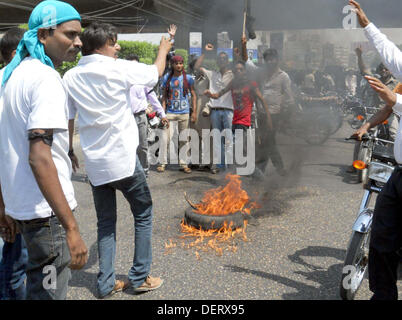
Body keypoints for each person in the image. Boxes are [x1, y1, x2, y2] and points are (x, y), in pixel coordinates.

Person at [63, 22, 171, 298]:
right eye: (114, 43)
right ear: (101, 46)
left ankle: (106, 283)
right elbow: (156, 72)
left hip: (96, 165)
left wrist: (69, 149)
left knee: (106, 224)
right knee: (144, 213)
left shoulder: (71, 77)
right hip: (123, 160)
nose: (118, 47)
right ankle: (138, 278)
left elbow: (69, 116)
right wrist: (163, 48)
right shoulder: (118, 67)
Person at [0, 0, 88, 300]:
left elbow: (4, 147)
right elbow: (39, 157)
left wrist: (4, 205)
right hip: (46, 217)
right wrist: (71, 228)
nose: (78, 43)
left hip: (23, 209)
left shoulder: (10, 76)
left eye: (79, 35)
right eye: (69, 34)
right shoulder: (46, 78)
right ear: (42, 36)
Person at [350, 0, 402, 300]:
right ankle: (383, 295)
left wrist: (395, 102)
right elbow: (388, 49)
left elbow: (393, 104)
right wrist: (366, 23)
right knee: (381, 237)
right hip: (399, 174)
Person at [205, 60, 273, 173]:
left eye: (241, 69)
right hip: (235, 121)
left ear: (245, 71)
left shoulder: (251, 84)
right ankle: (243, 175)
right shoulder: (233, 83)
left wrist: (268, 118)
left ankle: (250, 175)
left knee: (239, 150)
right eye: (236, 70)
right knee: (238, 150)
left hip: (245, 122)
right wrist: (210, 95)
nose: (239, 71)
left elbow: (262, 100)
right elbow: (219, 94)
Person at [0, 27, 28, 301]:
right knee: (16, 260)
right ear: (14, 54)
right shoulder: (10, 86)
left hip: (10, 193)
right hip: (11, 194)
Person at [241, 36, 295, 177]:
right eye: (268, 59)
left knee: (268, 142)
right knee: (264, 142)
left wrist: (285, 117)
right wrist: (244, 45)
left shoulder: (284, 76)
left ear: (277, 60)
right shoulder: (261, 72)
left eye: (273, 59)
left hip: (275, 115)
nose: (270, 62)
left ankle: (273, 170)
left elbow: (289, 99)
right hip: (261, 114)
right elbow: (247, 62)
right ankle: (268, 170)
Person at [127, 54, 169, 178]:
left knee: (142, 146)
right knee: (127, 146)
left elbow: (153, 99)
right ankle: (129, 172)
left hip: (140, 117)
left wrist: (162, 114)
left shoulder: (143, 81)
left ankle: (144, 171)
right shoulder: (122, 81)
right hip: (125, 118)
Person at [194, 44, 234, 174]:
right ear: (217, 61)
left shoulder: (233, 75)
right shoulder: (213, 74)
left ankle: (230, 168)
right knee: (217, 141)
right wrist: (205, 52)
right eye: (220, 59)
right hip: (215, 111)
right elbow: (196, 67)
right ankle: (221, 167)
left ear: (227, 61)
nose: (222, 61)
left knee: (228, 140)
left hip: (228, 110)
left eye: (224, 59)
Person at [157, 55, 197, 174]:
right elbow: (164, 96)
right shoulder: (166, 78)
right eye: (176, 63)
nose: (179, 65)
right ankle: (162, 163)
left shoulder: (188, 78)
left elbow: (194, 95)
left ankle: (183, 163)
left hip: (184, 113)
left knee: (184, 139)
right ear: (172, 65)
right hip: (170, 113)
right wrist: (162, 113)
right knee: (165, 138)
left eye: (181, 63)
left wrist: (194, 112)